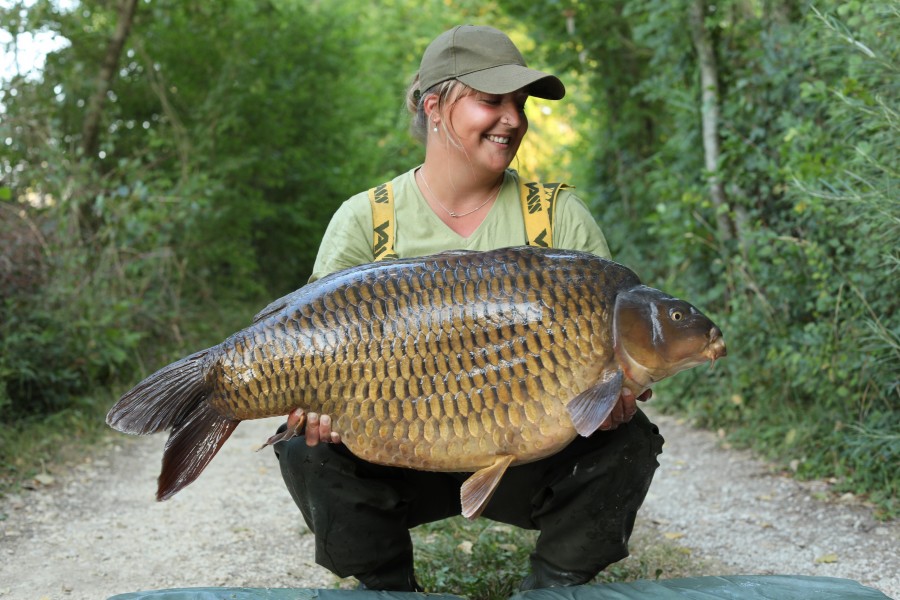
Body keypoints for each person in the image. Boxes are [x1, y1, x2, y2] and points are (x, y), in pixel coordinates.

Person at [273, 25, 664, 592]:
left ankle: (555, 583)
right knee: (304, 450)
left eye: (520, 103)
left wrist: (618, 397)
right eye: (491, 101)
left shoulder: (558, 218)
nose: (513, 119)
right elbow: (313, 343)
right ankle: (386, 584)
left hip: (531, 454)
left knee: (629, 443)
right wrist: (317, 410)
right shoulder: (366, 220)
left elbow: (617, 360)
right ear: (434, 106)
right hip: (396, 452)